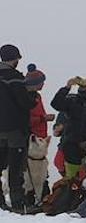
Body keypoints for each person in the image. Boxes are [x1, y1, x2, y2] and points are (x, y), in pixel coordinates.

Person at [0, 44, 35, 212]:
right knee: (15, 169)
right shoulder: (15, 78)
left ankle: (1, 203)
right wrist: (33, 96)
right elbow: (25, 103)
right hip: (15, 130)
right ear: (14, 58)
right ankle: (18, 204)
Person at [50, 76, 86, 181]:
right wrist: (67, 87)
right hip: (71, 143)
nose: (84, 83)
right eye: (84, 81)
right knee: (71, 176)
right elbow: (55, 104)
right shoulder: (72, 100)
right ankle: (71, 185)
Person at [22, 65, 53, 206]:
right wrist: (43, 119)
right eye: (42, 82)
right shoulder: (28, 98)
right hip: (32, 139)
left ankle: (41, 197)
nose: (43, 84)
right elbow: (26, 119)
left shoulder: (37, 96)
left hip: (40, 138)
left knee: (41, 170)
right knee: (29, 171)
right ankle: (29, 197)